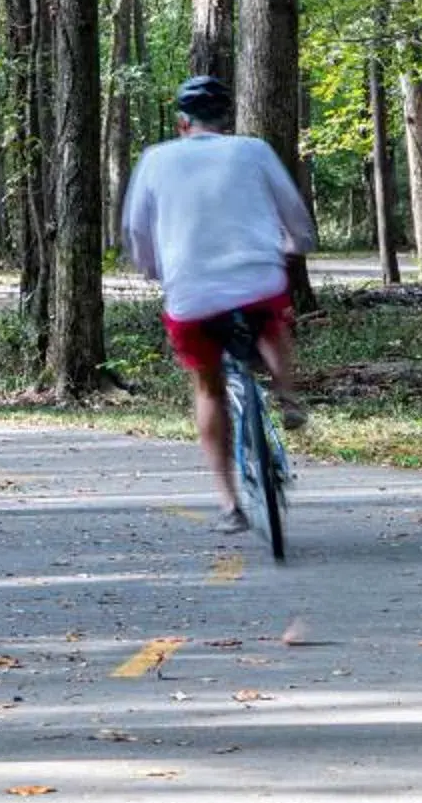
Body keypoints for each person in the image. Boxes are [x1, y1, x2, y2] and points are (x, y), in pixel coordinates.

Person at [119, 74, 316, 534]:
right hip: (257, 276)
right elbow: (294, 212)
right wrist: (296, 244)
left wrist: (154, 270)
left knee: (208, 388)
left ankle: (229, 502)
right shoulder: (253, 150)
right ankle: (287, 394)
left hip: (192, 294)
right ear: (225, 120)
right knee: (271, 321)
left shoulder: (155, 159)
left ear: (182, 123)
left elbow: (138, 232)